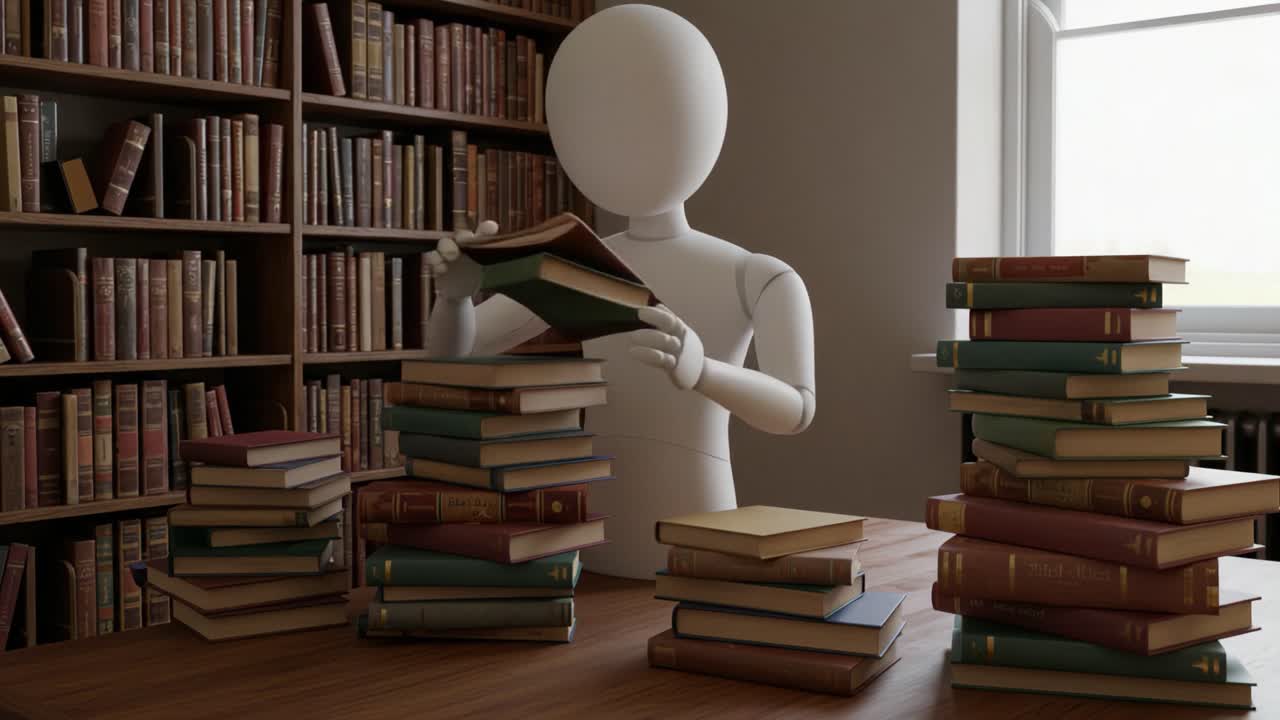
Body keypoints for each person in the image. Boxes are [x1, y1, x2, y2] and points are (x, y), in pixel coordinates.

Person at [425, 4, 816, 579]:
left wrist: (704, 371)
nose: (620, 137)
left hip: (697, 531)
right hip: (591, 537)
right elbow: (452, 357)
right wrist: (456, 299)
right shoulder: (580, 264)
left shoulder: (758, 275)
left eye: (645, 112)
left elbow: (796, 410)